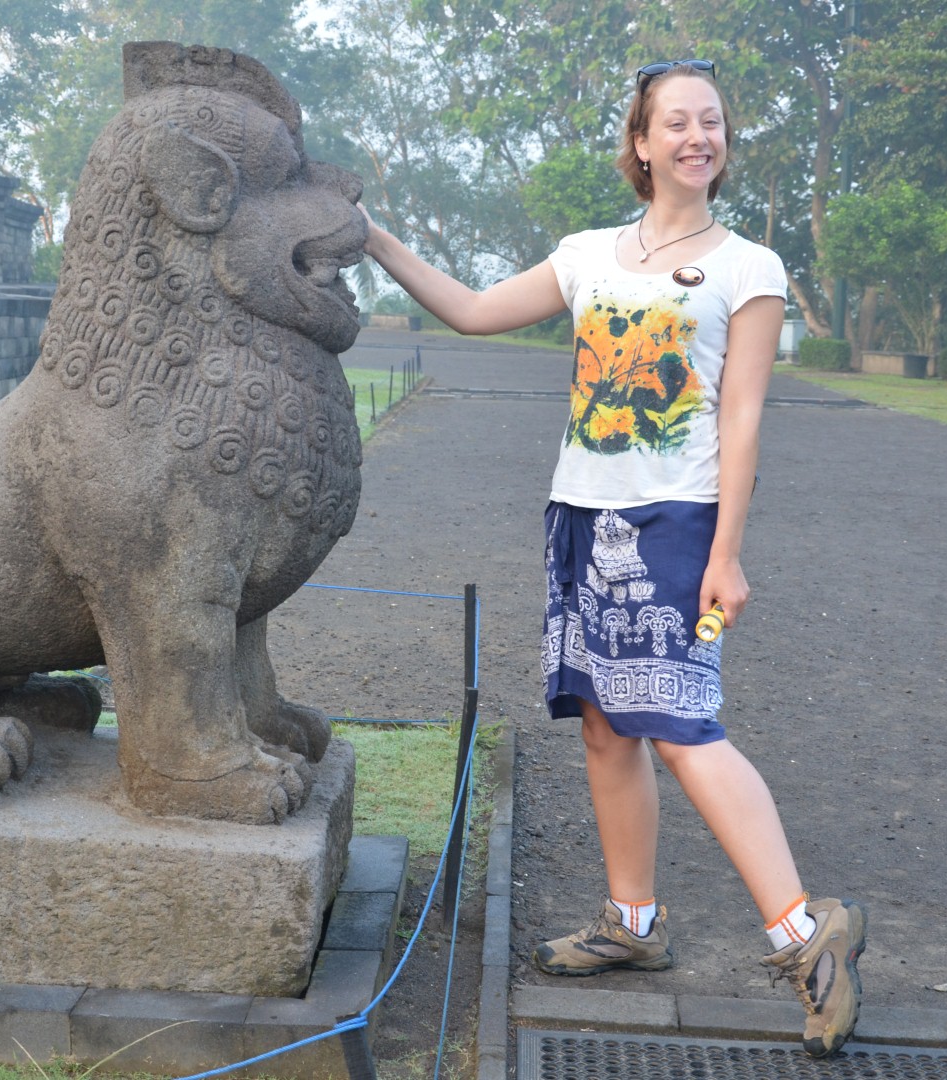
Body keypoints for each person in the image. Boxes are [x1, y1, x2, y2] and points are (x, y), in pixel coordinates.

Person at [359, 59, 867, 1058]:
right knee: (602, 725)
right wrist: (373, 236)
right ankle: (631, 925)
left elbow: (741, 418)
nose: (696, 136)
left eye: (710, 121)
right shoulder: (587, 254)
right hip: (579, 517)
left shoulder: (749, 268)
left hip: (677, 525)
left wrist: (726, 554)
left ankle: (804, 936)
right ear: (640, 142)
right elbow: (469, 309)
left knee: (677, 723)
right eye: (675, 122)